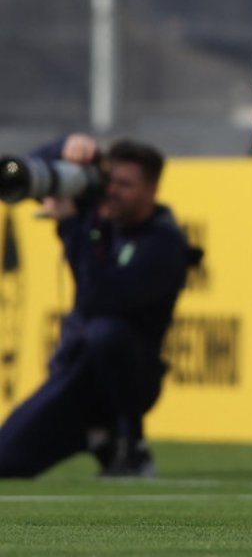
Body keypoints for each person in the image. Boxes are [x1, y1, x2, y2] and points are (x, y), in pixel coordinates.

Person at [0, 134, 189, 478]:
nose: (111, 190)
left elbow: (99, 298)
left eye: (124, 184)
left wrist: (70, 225)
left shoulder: (164, 244)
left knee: (106, 331)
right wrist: (66, 147)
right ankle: (99, 439)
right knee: (6, 459)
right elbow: (26, 172)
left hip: (130, 378)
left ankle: (128, 442)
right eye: (108, 180)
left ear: (152, 189)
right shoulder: (99, 211)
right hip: (73, 374)